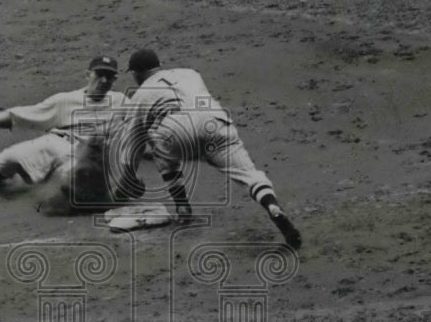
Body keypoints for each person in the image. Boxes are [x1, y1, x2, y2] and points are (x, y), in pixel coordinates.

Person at [117, 49, 302, 249]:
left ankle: (182, 206)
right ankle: (271, 204)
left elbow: (132, 142)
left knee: (157, 143)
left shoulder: (140, 94)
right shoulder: (190, 73)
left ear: (136, 74)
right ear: (159, 66)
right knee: (249, 174)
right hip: (215, 122)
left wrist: (128, 178)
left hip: (175, 129)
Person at [0, 55, 127, 199]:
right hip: (57, 142)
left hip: (87, 156)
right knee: (8, 157)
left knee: (74, 175)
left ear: (114, 79)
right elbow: (28, 114)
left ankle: (75, 200)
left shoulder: (121, 101)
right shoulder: (65, 100)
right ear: (88, 75)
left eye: (109, 76)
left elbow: (139, 126)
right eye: (99, 74)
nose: (104, 80)